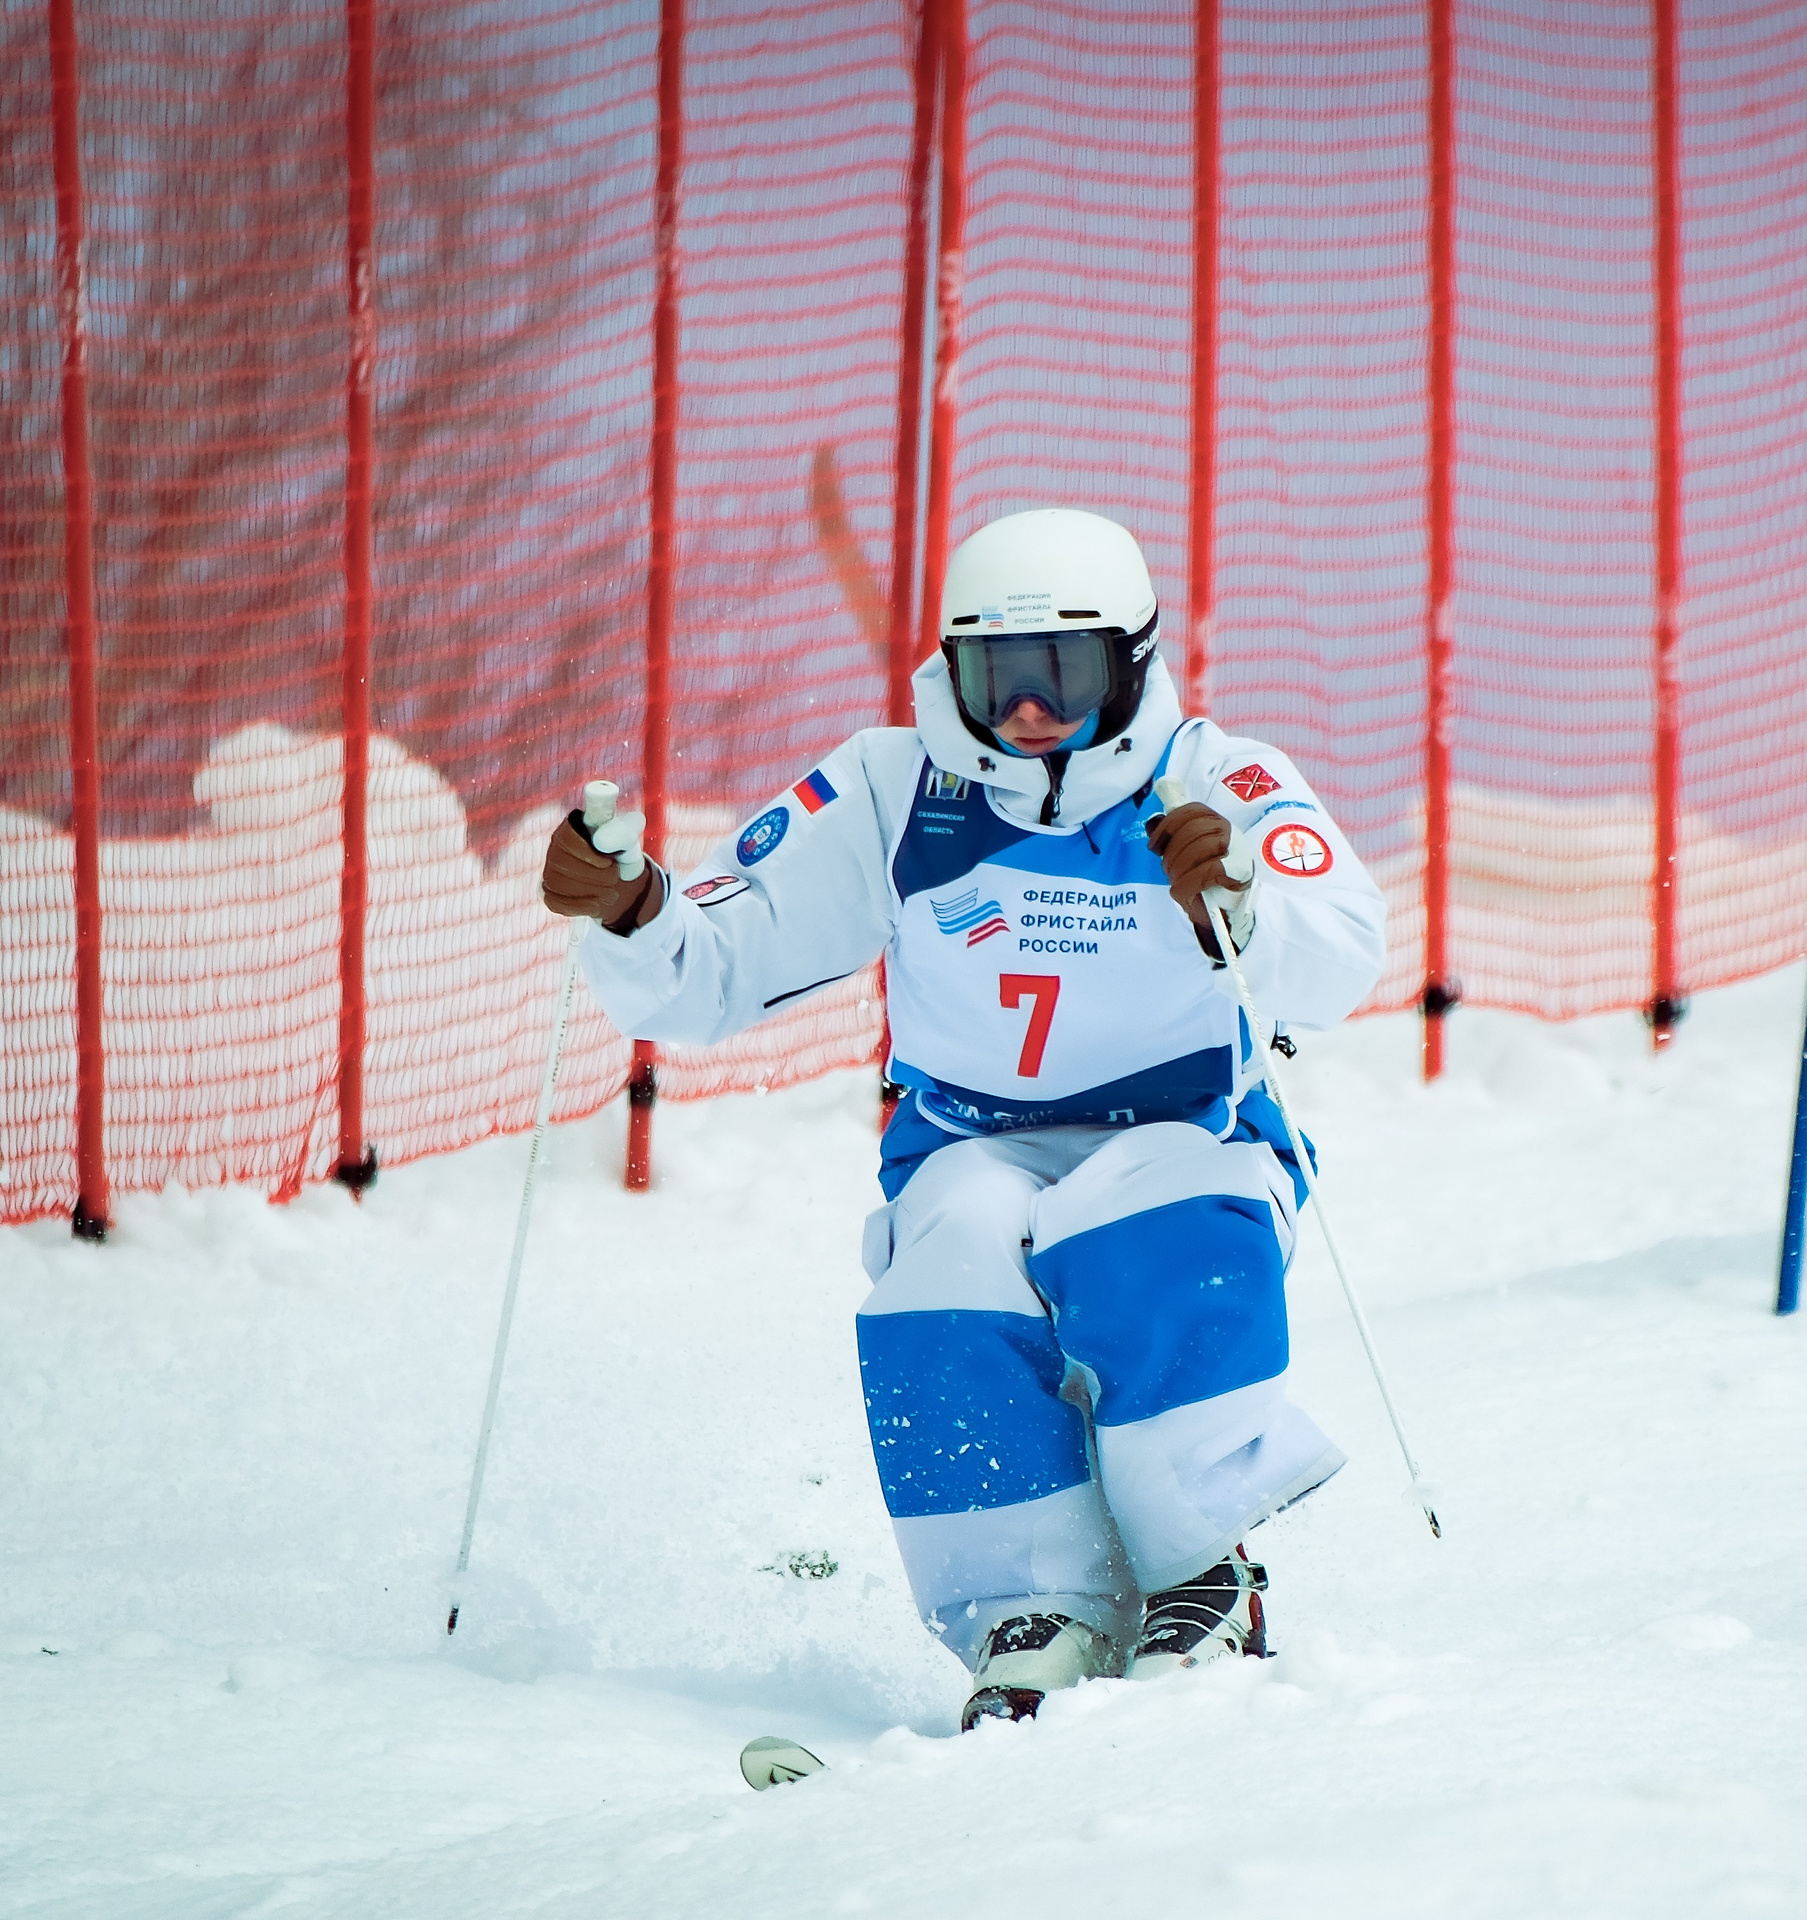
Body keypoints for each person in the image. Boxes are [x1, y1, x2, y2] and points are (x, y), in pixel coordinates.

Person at [541, 507, 1387, 1729]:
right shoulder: (897, 784)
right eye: (999, 678)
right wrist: (634, 912)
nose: (1030, 712)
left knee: (1140, 1220)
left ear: (1133, 663)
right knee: (947, 1265)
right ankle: (1030, 1607)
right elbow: (721, 959)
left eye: (1064, 675)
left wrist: (1246, 909)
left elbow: (1344, 958)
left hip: (1185, 1131)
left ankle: (1203, 1569)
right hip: (971, 1136)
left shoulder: (1217, 777)